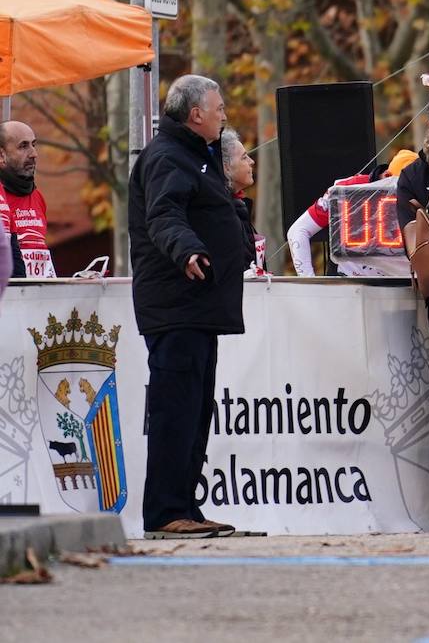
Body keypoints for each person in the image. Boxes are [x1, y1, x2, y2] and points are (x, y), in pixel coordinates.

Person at [129, 75, 251, 539]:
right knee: (175, 411)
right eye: (218, 108)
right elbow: (164, 214)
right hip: (176, 306)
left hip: (198, 308)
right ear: (196, 113)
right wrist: (187, 250)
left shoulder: (194, 156)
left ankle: (185, 505)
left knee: (196, 413)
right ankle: (164, 512)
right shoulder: (166, 157)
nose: (224, 115)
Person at [285, 151, 416, 278]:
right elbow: (298, 230)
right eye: (403, 190)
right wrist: (309, 282)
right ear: (387, 177)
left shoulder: (424, 194)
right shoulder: (348, 190)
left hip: (406, 286)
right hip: (348, 286)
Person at [0, 121, 54, 277]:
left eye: (33, 145)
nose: (33, 154)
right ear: (1, 155)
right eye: (23, 146)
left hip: (37, 296)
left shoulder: (38, 197)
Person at [220, 129, 264, 277]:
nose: (251, 162)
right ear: (226, 167)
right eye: (244, 158)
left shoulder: (239, 206)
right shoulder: (222, 212)